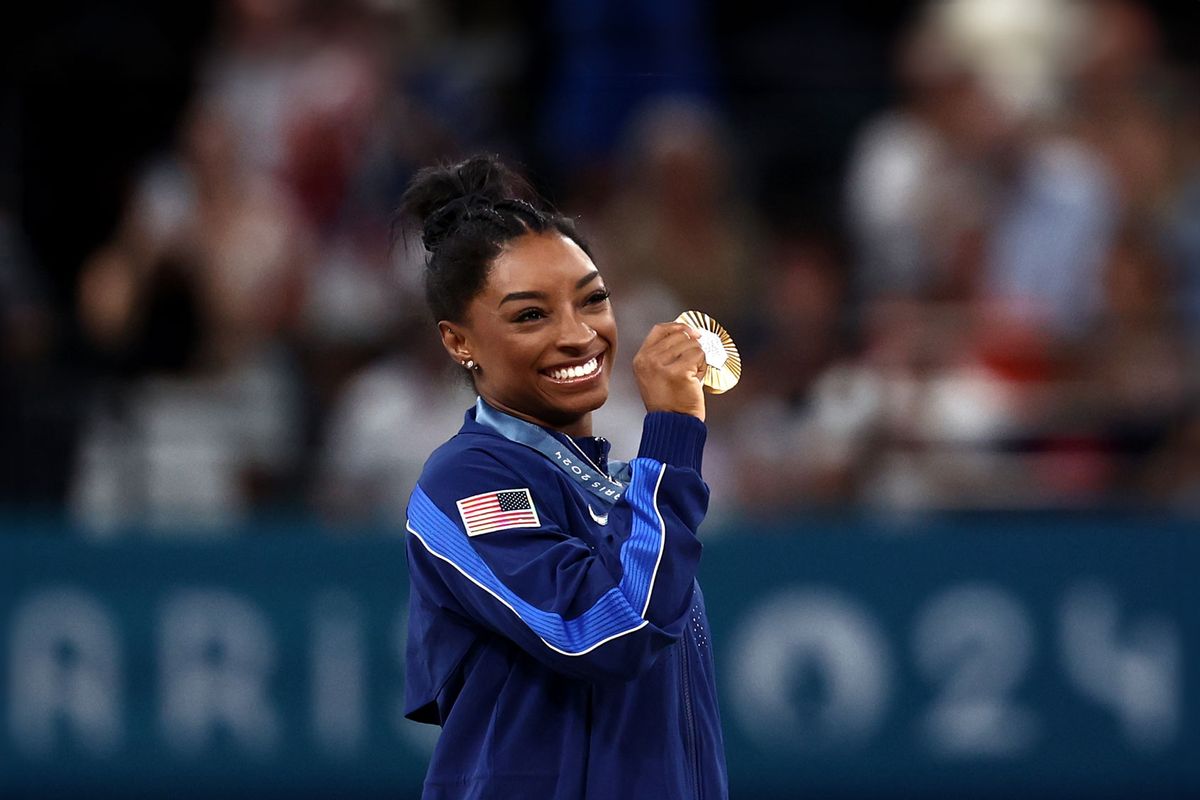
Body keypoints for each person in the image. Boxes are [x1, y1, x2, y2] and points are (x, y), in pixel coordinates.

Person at [397, 154, 728, 800]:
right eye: (530, 316)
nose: (579, 336)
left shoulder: (626, 494)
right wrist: (672, 436)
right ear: (458, 340)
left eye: (593, 300)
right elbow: (609, 628)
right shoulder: (464, 481)